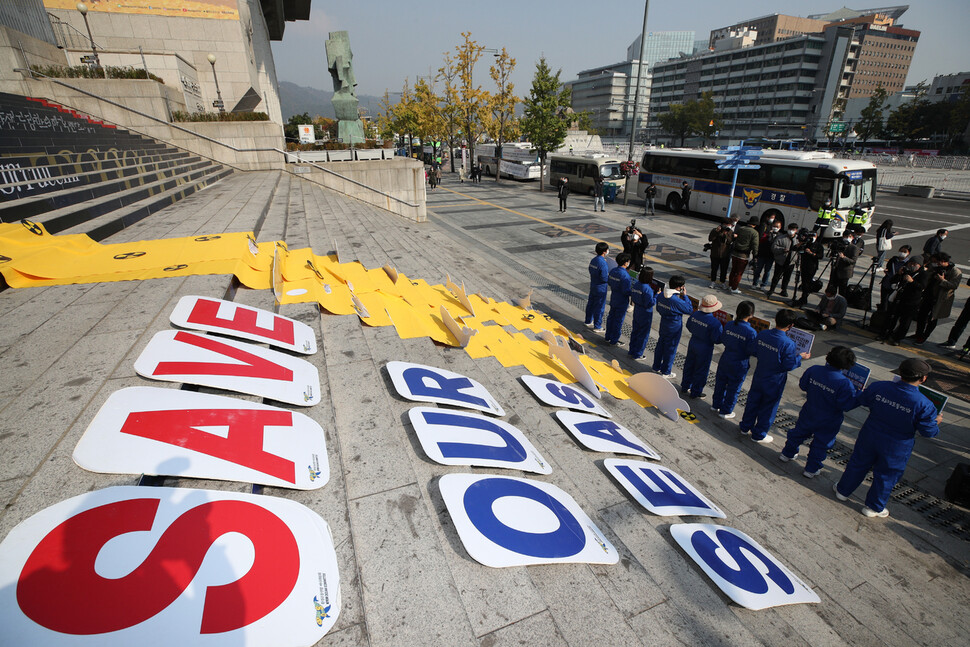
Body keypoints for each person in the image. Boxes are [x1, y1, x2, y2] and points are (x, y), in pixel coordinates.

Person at [834, 358, 942, 518]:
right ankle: (874, 507)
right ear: (923, 378)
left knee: (858, 463)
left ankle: (842, 491)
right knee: (886, 475)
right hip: (897, 446)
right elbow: (929, 432)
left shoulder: (880, 386)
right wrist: (936, 421)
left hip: (870, 435)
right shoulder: (924, 404)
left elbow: (862, 400)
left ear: (900, 372)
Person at [779, 346, 860, 478]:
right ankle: (811, 469)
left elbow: (803, 385)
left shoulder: (814, 369)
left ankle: (787, 454)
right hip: (829, 420)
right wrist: (859, 396)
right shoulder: (844, 384)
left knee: (798, 433)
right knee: (821, 444)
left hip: (809, 411)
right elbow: (846, 405)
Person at [739, 309, 810, 444]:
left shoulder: (763, 334)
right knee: (768, 407)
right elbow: (788, 365)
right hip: (774, 380)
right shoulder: (788, 343)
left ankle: (745, 426)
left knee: (753, 402)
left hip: (760, 374)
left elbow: (753, 350)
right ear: (791, 326)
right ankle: (759, 434)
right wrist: (800, 357)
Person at [712, 300, 757, 420]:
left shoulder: (729, 324)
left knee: (720, 383)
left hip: (726, 357)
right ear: (751, 314)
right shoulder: (751, 332)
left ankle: (716, 404)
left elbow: (724, 339)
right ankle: (726, 410)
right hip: (739, 363)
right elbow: (752, 350)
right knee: (733, 388)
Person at [680, 295, 724, 399]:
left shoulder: (695, 315)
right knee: (701, 370)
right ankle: (696, 392)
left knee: (689, 365)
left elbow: (689, 325)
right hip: (705, 347)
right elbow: (717, 339)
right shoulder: (715, 323)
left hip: (693, 342)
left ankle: (685, 386)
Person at [913, 252, 962, 344]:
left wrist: (942, 280)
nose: (934, 264)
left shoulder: (955, 271)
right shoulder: (934, 268)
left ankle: (924, 336)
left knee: (933, 318)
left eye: (936, 262)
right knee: (921, 315)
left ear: (943, 261)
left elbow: (954, 285)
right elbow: (927, 276)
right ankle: (918, 334)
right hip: (928, 295)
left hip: (940, 298)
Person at [879, 257, 928, 346]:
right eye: (910, 263)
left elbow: (921, 287)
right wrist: (898, 274)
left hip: (911, 302)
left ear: (919, 265)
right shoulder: (906, 271)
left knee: (905, 322)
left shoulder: (923, 274)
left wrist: (912, 281)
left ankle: (897, 338)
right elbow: (893, 281)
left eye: (914, 264)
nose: (911, 265)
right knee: (891, 318)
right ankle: (885, 334)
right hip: (899, 298)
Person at [652, 275, 693, 379]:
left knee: (660, 345)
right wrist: (685, 296)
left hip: (664, 323)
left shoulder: (661, 295)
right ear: (679, 288)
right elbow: (689, 309)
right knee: (670, 349)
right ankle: (666, 371)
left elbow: (658, 308)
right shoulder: (676, 301)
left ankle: (656, 366)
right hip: (674, 326)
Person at [628, 267, 659, 360]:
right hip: (645, 313)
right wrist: (657, 295)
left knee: (635, 331)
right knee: (643, 334)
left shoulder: (637, 284)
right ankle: (638, 354)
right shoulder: (647, 289)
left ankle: (632, 350)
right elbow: (650, 303)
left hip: (637, 310)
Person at [604, 253, 633, 345]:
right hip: (622, 301)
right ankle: (614, 340)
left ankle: (607, 336)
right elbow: (626, 291)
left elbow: (609, 281)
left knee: (611, 318)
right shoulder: (625, 276)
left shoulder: (613, 271)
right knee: (618, 321)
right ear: (625, 263)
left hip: (614, 298)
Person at [766, 223, 799, 298]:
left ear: (796, 230)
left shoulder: (797, 240)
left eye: (793, 230)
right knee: (776, 276)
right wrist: (782, 250)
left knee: (787, 277)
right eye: (790, 229)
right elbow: (774, 248)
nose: (791, 231)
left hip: (791, 262)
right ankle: (772, 289)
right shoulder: (781, 238)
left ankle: (784, 290)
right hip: (780, 261)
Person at [728, 217, 759, 294]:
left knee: (733, 270)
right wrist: (755, 256)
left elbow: (734, 238)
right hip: (744, 255)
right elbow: (755, 246)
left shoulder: (741, 228)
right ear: (755, 225)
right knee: (739, 273)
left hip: (735, 253)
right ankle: (734, 288)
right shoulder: (754, 233)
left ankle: (730, 285)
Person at [584, 242, 610, 332]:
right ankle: (597, 326)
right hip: (601, 287)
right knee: (599, 306)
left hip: (593, 284)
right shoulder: (603, 263)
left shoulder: (594, 260)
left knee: (591, 303)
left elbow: (590, 270)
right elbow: (604, 277)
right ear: (604, 251)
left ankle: (588, 320)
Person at [877, 245, 912, 311]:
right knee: (884, 301)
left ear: (908, 253)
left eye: (904, 251)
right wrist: (887, 271)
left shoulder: (908, 263)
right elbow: (888, 267)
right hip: (886, 283)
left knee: (890, 303)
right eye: (901, 251)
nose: (902, 253)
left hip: (896, 285)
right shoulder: (893, 259)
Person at [828, 229, 859, 295]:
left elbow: (853, 261)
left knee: (842, 290)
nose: (847, 238)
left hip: (845, 272)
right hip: (836, 269)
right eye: (845, 236)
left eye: (849, 236)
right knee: (833, 287)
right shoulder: (839, 245)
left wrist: (844, 257)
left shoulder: (854, 248)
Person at [751, 219, 779, 289]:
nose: (775, 228)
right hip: (762, 255)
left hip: (770, 256)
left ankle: (763, 285)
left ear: (780, 228)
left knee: (767, 271)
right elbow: (760, 241)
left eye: (777, 227)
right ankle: (755, 283)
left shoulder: (779, 236)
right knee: (758, 270)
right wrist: (768, 235)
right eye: (774, 226)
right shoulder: (766, 234)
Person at [707, 219, 734, 290]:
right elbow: (710, 239)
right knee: (714, 269)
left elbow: (730, 241)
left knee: (724, 269)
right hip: (715, 253)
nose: (728, 226)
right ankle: (713, 281)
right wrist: (717, 232)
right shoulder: (715, 230)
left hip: (725, 254)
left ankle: (723, 282)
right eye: (727, 225)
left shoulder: (730, 231)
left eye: (729, 225)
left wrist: (726, 234)